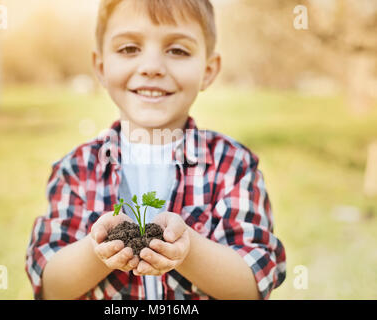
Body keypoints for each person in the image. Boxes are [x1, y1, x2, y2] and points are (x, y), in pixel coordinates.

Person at [25, 0, 286, 300]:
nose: (151, 67)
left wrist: (188, 250)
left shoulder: (233, 167)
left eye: (177, 50)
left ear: (208, 70)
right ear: (101, 67)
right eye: (129, 49)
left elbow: (251, 287)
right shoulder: (76, 169)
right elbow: (51, 288)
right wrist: (97, 252)